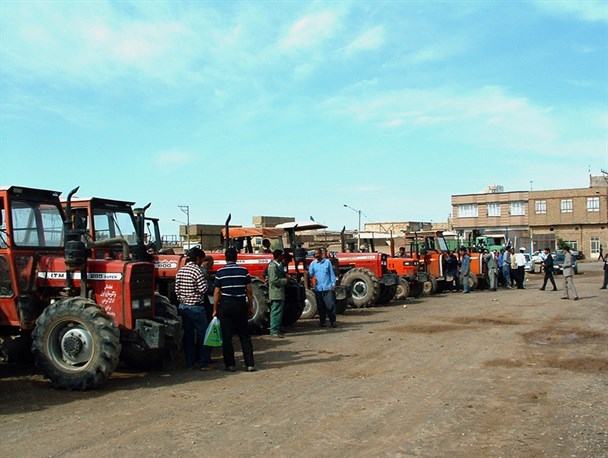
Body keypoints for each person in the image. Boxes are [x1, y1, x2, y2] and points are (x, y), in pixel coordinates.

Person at [213, 247, 256, 372]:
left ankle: (230, 365)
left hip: (226, 306)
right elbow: (248, 289)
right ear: (237, 257)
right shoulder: (243, 271)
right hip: (240, 305)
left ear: (225, 258)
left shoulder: (220, 272)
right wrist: (251, 306)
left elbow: (217, 292)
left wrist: (215, 309)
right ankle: (250, 364)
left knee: (227, 336)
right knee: (244, 335)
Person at [175, 247, 212, 371]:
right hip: (196, 307)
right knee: (203, 335)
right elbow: (203, 289)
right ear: (197, 259)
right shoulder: (197, 271)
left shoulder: (181, 271)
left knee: (188, 336)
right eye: (201, 259)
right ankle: (203, 362)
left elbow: (177, 290)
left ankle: (190, 363)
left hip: (183, 307)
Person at [308, 248, 337, 327]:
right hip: (318, 289)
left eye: (318, 254)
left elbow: (331, 274)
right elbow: (310, 275)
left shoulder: (327, 262)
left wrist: (333, 284)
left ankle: (333, 321)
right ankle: (322, 322)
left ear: (321, 254)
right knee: (320, 307)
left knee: (330, 305)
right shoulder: (313, 264)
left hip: (327, 288)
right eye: (315, 254)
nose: (316, 255)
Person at [267, 249, 289, 337]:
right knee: (275, 312)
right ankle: (274, 330)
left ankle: (277, 328)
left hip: (279, 293)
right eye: (281, 255)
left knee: (279, 312)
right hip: (276, 293)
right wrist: (285, 280)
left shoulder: (278, 265)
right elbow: (273, 280)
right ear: (279, 256)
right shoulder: (272, 266)